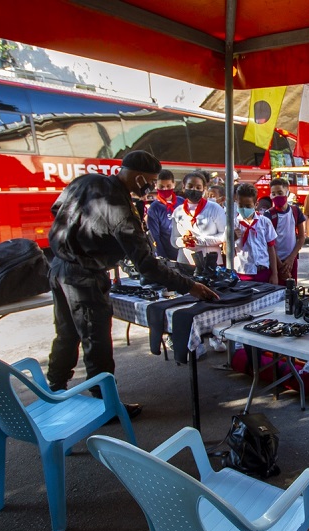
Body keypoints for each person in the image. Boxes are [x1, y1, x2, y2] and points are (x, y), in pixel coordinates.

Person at [46, 151, 217, 416]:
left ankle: (54, 390)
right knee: (96, 339)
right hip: (85, 277)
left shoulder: (86, 181)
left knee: (66, 332)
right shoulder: (120, 208)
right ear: (139, 179)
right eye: (149, 182)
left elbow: (57, 209)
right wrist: (190, 286)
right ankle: (106, 406)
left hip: (59, 267)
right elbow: (146, 264)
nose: (150, 187)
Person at [170, 172, 226, 274]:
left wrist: (199, 240)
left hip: (210, 263)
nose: (194, 190)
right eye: (190, 186)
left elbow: (224, 235)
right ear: (183, 187)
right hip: (185, 263)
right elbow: (173, 240)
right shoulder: (178, 211)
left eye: (198, 187)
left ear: (204, 189)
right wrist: (183, 241)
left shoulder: (215, 208)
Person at [234, 183, 278, 284]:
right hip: (242, 273)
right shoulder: (233, 224)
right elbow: (226, 251)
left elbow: (271, 248)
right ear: (236, 203)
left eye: (248, 206)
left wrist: (274, 274)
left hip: (262, 272)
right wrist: (231, 238)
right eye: (241, 205)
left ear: (256, 205)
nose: (244, 208)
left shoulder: (265, 222)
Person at [265, 178, 306, 283]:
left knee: (291, 292)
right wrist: (279, 264)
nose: (277, 196)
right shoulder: (268, 215)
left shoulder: (295, 211)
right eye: (273, 194)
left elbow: (301, 237)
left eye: (280, 193)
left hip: (291, 260)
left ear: (287, 193)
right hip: (274, 261)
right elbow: (269, 243)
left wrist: (291, 258)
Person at [146, 169, 183, 260]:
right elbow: (155, 236)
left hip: (185, 252)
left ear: (174, 184)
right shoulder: (154, 208)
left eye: (168, 186)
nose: (165, 189)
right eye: (161, 186)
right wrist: (162, 257)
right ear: (156, 186)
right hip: (168, 255)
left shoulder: (182, 202)